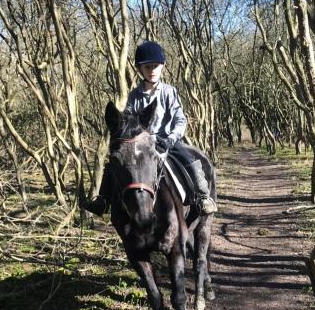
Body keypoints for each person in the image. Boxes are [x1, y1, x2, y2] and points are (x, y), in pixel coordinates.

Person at [83, 41, 217, 216]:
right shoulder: (134, 96)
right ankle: (102, 200)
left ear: (162, 67)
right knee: (114, 164)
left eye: (155, 66)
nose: (152, 70)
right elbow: (129, 122)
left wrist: (171, 138)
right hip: (142, 144)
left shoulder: (169, 92)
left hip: (168, 141)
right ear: (140, 70)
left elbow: (180, 119)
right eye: (147, 67)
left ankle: (202, 196)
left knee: (189, 159)